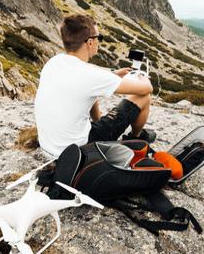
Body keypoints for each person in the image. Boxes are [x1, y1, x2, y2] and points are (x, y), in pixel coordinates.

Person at [34, 14, 155, 158]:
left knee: (96, 112)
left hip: (50, 148)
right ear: (90, 42)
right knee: (143, 97)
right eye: (99, 38)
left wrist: (113, 75)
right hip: (80, 151)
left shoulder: (54, 62)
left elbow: (87, 86)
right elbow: (147, 88)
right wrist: (142, 76)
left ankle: (101, 125)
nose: (99, 42)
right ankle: (136, 138)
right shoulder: (89, 75)